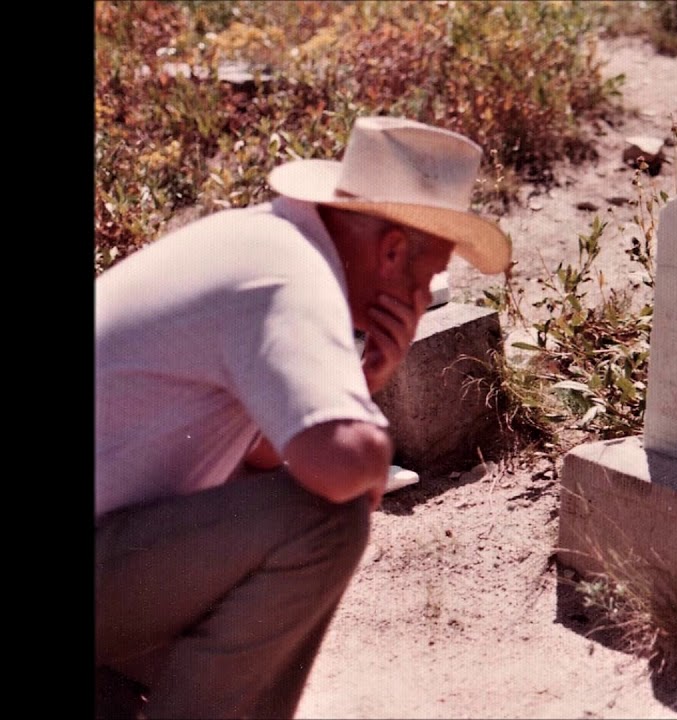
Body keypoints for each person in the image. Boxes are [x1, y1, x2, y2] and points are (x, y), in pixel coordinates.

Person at [95, 116, 511, 718]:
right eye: (429, 276)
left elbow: (259, 466)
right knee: (325, 521)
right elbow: (338, 471)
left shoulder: (260, 243)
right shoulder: (293, 272)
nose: (425, 295)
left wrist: (359, 386)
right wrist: (364, 434)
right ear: (393, 252)